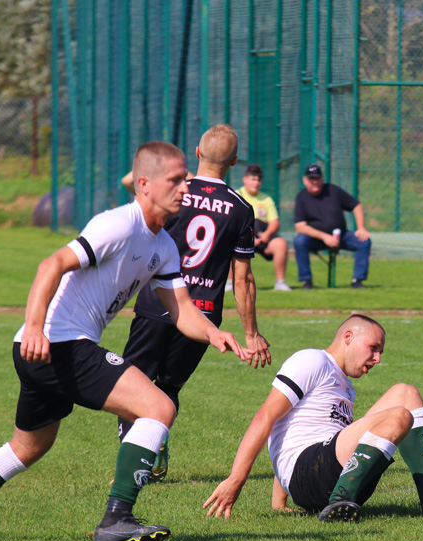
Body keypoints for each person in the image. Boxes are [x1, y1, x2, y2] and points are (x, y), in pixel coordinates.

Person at [0, 141, 254, 541]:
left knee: (27, 447)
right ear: (144, 184)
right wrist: (36, 327)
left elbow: (180, 308)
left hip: (49, 348)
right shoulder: (119, 225)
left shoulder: (163, 246)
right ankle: (117, 519)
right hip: (57, 343)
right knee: (159, 406)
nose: (185, 189)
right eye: (176, 180)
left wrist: (215, 333)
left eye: (185, 179)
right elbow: (50, 264)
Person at [204, 314, 423, 522]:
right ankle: (340, 502)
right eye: (373, 348)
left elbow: (295, 427)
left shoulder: (345, 386)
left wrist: (278, 503)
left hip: (327, 471)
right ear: (348, 337)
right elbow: (266, 418)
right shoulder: (311, 360)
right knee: (398, 416)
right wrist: (236, 478)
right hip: (312, 474)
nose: (378, 358)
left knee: (405, 392)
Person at [117, 125, 271, 482]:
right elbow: (243, 278)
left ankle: (138, 461)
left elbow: (132, 182)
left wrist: (164, 168)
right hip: (203, 314)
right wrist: (252, 333)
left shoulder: (176, 191)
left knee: (131, 383)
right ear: (235, 161)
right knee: (168, 386)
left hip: (158, 301)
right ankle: (153, 447)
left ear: (197, 153)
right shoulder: (241, 208)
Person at [293, 164, 372, 290]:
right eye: (311, 179)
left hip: (342, 236)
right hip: (316, 239)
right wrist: (325, 237)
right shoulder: (301, 197)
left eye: (317, 178)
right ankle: (306, 281)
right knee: (299, 241)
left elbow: (356, 206)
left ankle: (357, 280)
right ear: (305, 180)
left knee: (364, 241)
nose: (315, 182)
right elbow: (300, 227)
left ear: (322, 179)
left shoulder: (333, 191)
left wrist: (361, 228)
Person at [227, 163, 291, 292]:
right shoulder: (236, 196)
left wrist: (267, 235)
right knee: (228, 242)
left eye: (258, 180)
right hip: (241, 238)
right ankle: (229, 282)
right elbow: (231, 222)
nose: (256, 183)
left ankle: (280, 282)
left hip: (262, 239)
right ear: (245, 179)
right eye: (253, 179)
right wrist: (247, 239)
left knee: (281, 244)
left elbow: (274, 223)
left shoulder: (266, 199)